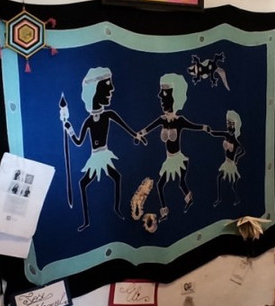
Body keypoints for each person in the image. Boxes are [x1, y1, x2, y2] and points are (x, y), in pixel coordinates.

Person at [61, 67, 145, 231]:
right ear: (94, 90)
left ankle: (116, 209)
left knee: (116, 177)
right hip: (95, 157)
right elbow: (78, 141)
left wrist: (136, 135)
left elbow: (124, 126)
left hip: (105, 154)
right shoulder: (89, 121)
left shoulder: (109, 115)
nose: (112, 89)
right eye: (107, 85)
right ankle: (87, 221)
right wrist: (69, 129)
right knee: (84, 183)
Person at [139, 73, 209, 217]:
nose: (160, 96)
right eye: (161, 92)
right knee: (160, 185)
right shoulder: (162, 120)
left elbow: (193, 126)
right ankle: (164, 211)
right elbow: (148, 128)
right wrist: (140, 134)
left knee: (181, 182)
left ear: (175, 97)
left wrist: (204, 127)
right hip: (169, 160)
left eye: (164, 93)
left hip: (179, 159)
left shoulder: (179, 121)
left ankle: (189, 199)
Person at [213, 110, 245, 206]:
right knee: (220, 178)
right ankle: (219, 199)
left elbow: (242, 150)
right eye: (228, 123)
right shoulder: (227, 135)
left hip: (231, 164)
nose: (229, 126)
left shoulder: (235, 140)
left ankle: (237, 198)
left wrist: (236, 158)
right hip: (226, 163)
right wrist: (210, 131)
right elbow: (218, 133)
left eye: (231, 124)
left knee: (233, 184)